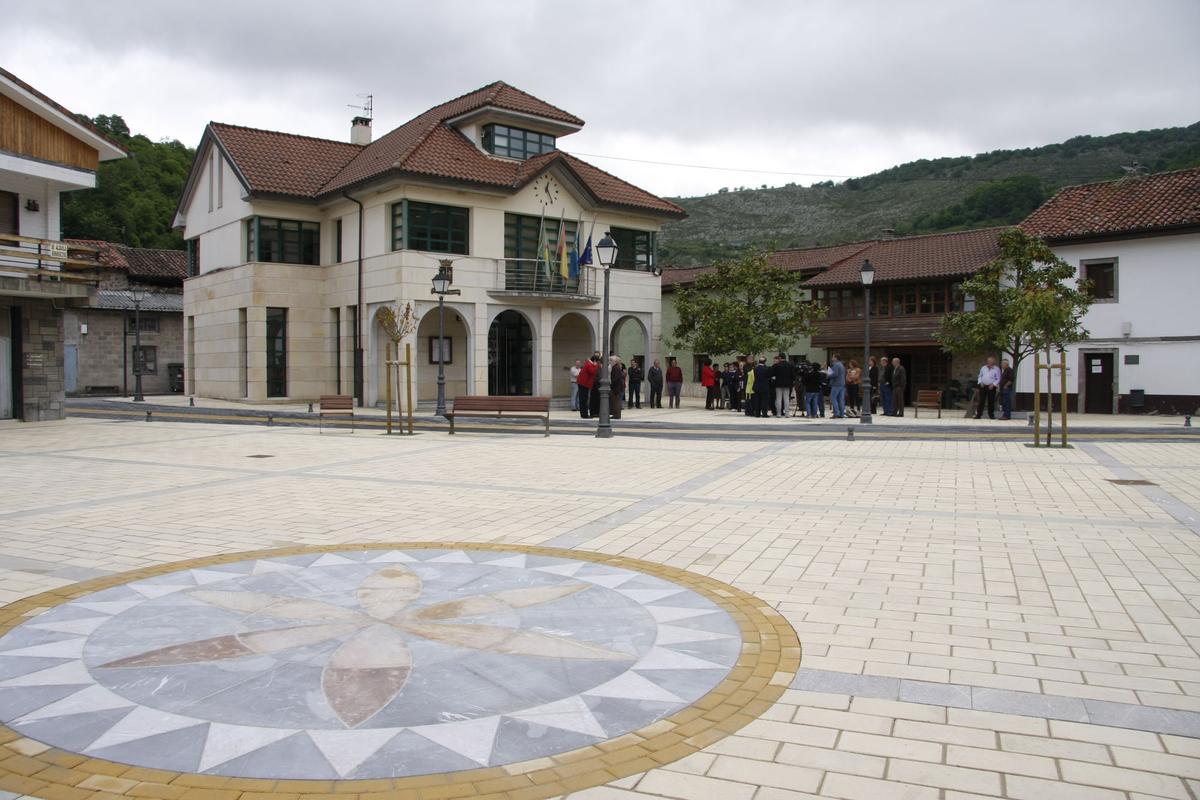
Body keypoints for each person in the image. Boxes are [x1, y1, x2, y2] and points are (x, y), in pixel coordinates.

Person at [577, 353, 598, 419]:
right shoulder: (589, 364)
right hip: (584, 384)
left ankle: (584, 414)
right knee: (583, 400)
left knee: (583, 400)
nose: (597, 363)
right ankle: (584, 414)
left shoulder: (588, 363)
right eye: (597, 362)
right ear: (594, 361)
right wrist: (596, 366)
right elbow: (592, 372)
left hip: (583, 384)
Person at [828, 354, 847, 418]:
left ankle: (836, 413)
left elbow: (835, 374)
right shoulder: (841, 365)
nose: (832, 358)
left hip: (836, 384)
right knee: (841, 399)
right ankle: (841, 413)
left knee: (833, 398)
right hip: (842, 383)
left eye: (833, 357)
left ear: (836, 358)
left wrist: (828, 375)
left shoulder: (836, 365)